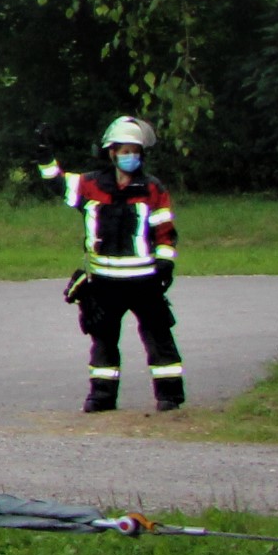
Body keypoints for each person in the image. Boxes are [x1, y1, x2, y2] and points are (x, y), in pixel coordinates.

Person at [41, 117, 180, 412]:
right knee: (103, 339)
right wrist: (44, 156)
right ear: (111, 152)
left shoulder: (152, 188)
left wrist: (166, 264)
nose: (131, 157)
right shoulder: (89, 184)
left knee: (158, 337)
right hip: (104, 280)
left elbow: (165, 230)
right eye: (125, 151)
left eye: (136, 151)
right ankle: (102, 396)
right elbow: (55, 181)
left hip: (144, 279)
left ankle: (169, 396)